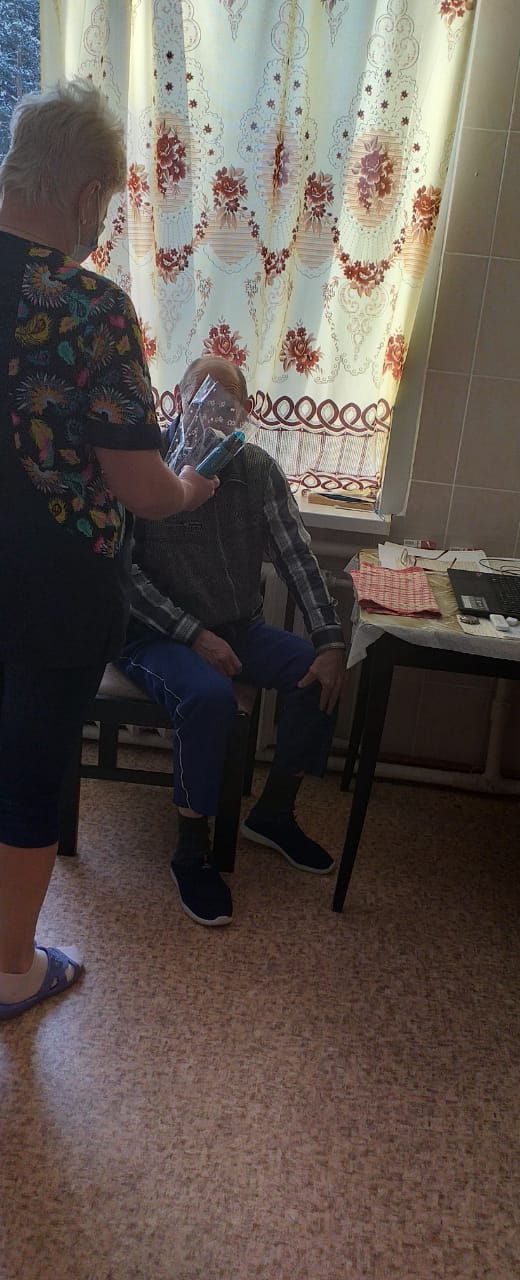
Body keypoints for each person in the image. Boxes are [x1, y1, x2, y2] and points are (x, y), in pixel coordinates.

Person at [0, 80, 219, 1021]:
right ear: (89, 195)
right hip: (52, 592)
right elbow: (141, 487)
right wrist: (192, 487)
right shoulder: (90, 307)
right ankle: (12, 969)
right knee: (26, 774)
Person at [118, 354, 347, 927]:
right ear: (179, 399)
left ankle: (273, 814)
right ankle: (190, 853)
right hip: (152, 633)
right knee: (209, 698)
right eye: (204, 402)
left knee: (314, 673)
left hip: (237, 625)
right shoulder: (147, 465)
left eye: (228, 407)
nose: (215, 417)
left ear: (244, 412)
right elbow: (122, 573)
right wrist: (193, 635)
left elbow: (296, 554)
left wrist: (330, 640)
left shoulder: (256, 470)